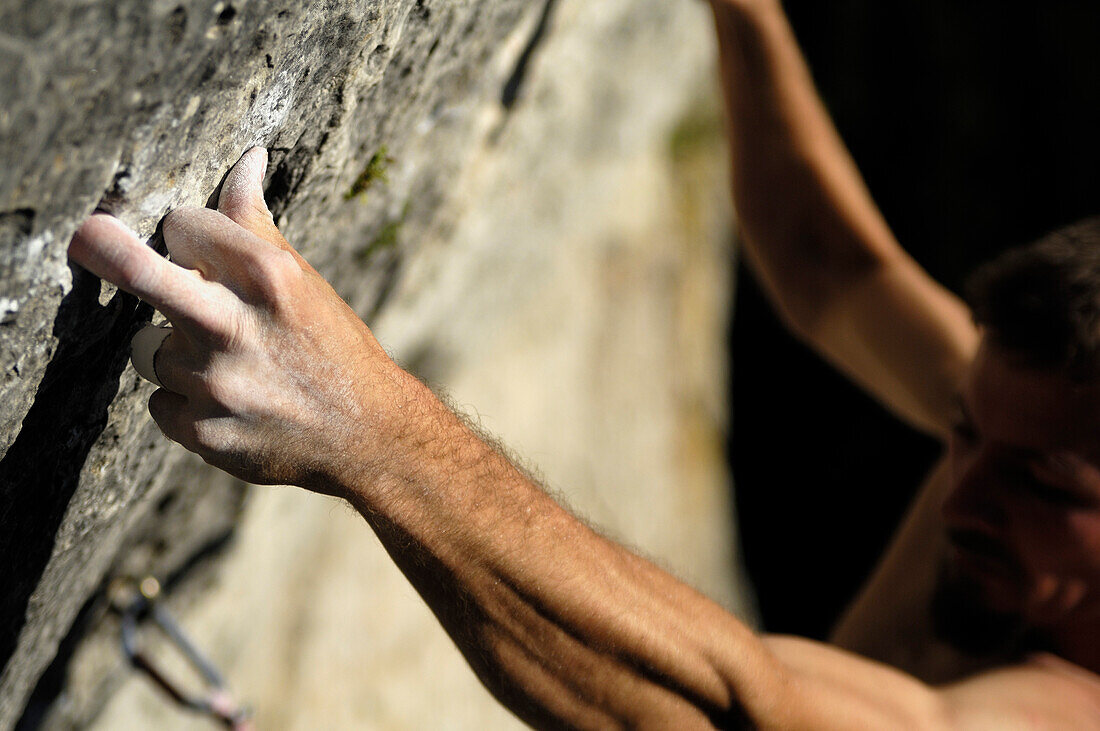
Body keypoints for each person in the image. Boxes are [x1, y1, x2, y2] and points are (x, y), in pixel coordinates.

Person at [66, 0, 1100, 727]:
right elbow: (828, 268)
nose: (963, 488)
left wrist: (362, 420)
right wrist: (744, 11)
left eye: (1042, 480)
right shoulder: (1025, 425)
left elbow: (731, 708)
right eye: (958, 426)